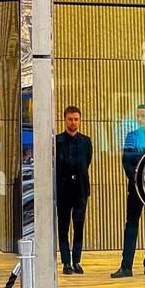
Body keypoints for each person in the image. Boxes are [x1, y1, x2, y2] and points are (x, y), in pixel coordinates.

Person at [111, 104, 145, 279]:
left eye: (142, 116)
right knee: (131, 225)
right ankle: (126, 267)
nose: (139, 119)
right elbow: (126, 161)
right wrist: (135, 178)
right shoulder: (131, 136)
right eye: (137, 116)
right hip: (136, 187)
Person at [55, 106, 93, 275]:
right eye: (70, 119)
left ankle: (77, 261)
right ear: (65, 120)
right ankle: (66, 263)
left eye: (76, 119)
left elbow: (88, 161)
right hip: (63, 190)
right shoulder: (56, 141)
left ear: (80, 120)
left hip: (80, 190)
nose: (73, 122)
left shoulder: (86, 141)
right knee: (63, 228)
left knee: (79, 227)